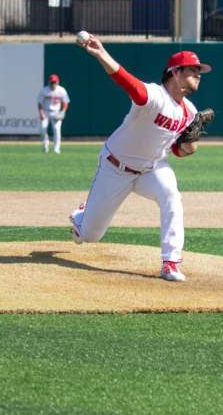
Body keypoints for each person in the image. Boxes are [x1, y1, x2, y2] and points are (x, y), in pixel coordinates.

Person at [69, 34, 211, 282]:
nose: (198, 74)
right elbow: (126, 82)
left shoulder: (190, 111)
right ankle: (83, 214)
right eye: (192, 70)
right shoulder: (154, 96)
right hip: (115, 168)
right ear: (174, 73)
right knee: (88, 236)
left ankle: (170, 262)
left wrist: (190, 147)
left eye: (199, 71)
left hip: (151, 169)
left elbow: (178, 149)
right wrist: (101, 53)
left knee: (171, 195)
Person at [37, 74, 70, 154]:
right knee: (42, 129)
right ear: (49, 82)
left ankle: (56, 149)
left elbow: (66, 102)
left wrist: (63, 111)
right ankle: (45, 146)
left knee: (56, 130)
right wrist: (41, 113)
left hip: (56, 113)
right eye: (52, 82)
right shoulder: (44, 90)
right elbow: (39, 103)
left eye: (54, 82)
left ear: (58, 82)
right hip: (46, 112)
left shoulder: (61, 90)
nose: (53, 84)